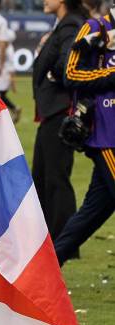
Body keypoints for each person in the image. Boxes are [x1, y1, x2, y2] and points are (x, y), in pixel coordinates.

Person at [55, 5, 115, 265]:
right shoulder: (95, 28)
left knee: (92, 213)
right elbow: (70, 74)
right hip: (107, 133)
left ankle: (47, 270)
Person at [32, 0, 88, 246]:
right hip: (52, 112)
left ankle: (63, 240)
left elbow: (69, 64)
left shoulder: (69, 26)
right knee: (45, 176)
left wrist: (54, 73)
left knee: (55, 178)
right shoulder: (65, 24)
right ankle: (48, 239)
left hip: (60, 113)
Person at [0, 28, 20, 122]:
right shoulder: (4, 48)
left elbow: (11, 68)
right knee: (1, 97)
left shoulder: (8, 51)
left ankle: (4, 115)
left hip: (3, 78)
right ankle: (13, 109)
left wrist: (13, 83)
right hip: (0, 77)